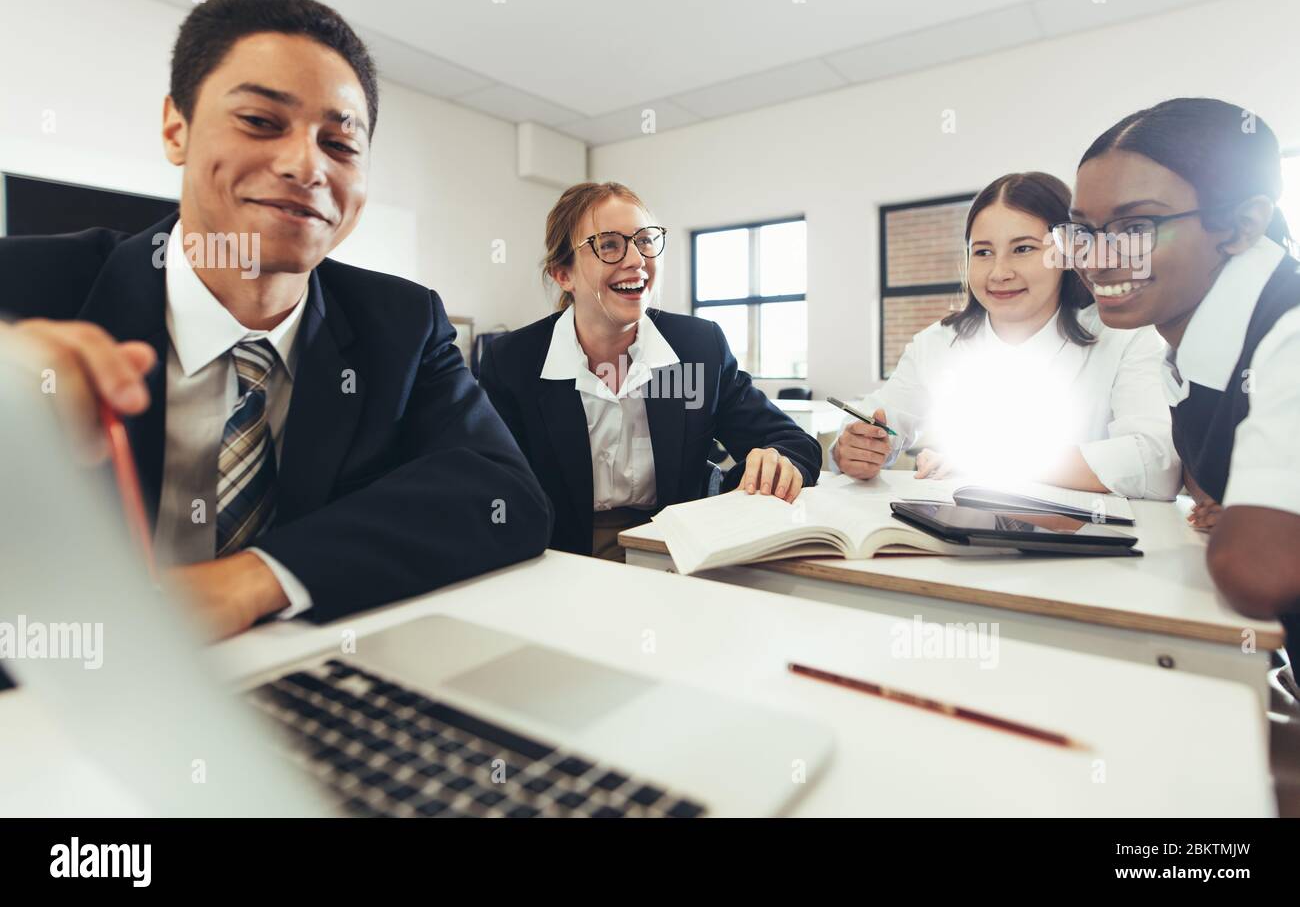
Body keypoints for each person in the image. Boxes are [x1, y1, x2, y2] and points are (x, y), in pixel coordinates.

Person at [0, 0, 552, 638]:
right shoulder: (22, 285)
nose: (305, 165)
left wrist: (250, 578)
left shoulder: (401, 322)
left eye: (340, 144)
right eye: (261, 121)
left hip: (301, 677)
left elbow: (503, 494)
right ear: (175, 128)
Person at [1066, 97, 1300, 660]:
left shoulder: (1289, 330)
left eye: (1137, 226)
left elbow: (1256, 570)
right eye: (1082, 231)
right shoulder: (1186, 339)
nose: (1097, 260)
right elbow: (1210, 495)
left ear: (1243, 224)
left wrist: (1247, 525)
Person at [478, 181, 822, 560]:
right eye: (609, 244)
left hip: (674, 548)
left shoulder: (697, 347)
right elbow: (488, 486)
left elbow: (795, 444)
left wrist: (777, 460)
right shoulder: (513, 361)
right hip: (559, 555)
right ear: (564, 275)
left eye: (644, 240)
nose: (636, 260)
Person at [832, 172, 1179, 499]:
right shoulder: (938, 342)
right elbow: (883, 416)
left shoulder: (1124, 336)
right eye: (983, 252)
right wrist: (858, 447)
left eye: (1023, 249)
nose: (999, 273)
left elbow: (1156, 461)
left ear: (1066, 251)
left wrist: (994, 459)